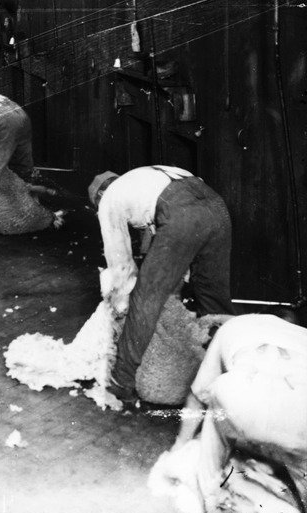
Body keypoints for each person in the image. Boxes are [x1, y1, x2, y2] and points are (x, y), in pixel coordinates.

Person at [88, 166, 236, 407]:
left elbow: (122, 266)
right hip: (217, 207)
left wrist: (121, 300)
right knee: (212, 295)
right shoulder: (142, 178)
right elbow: (158, 234)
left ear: (99, 197)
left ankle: (121, 381)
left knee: (145, 298)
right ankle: (234, 370)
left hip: (182, 214)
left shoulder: (109, 200)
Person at [168, 312, 307, 512]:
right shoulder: (302, 334)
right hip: (302, 411)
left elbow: (196, 397)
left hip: (241, 400)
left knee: (216, 410)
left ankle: (208, 498)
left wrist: (180, 443)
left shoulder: (234, 326)